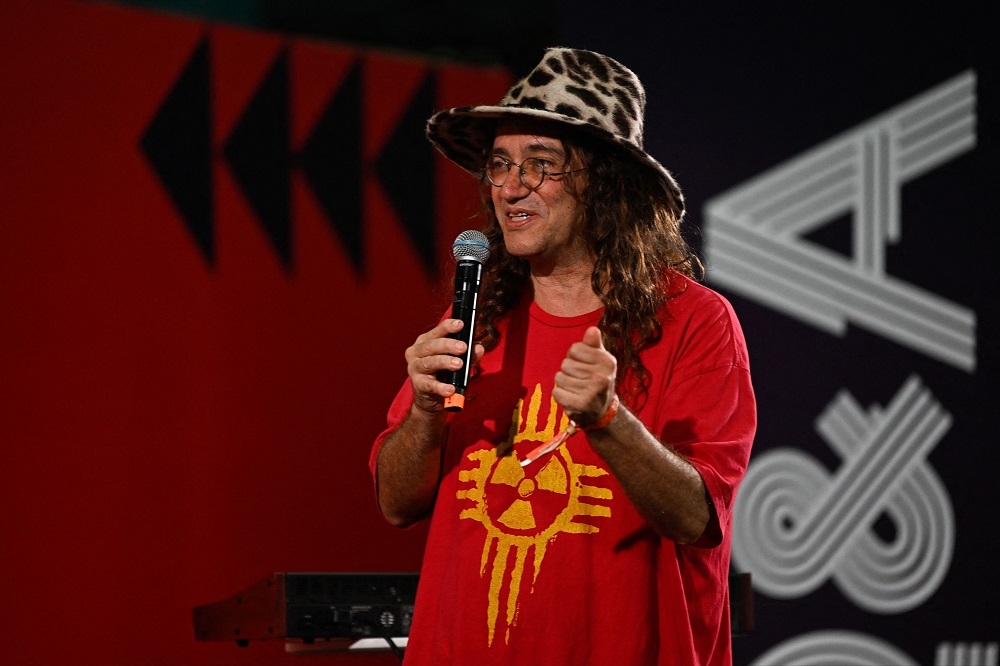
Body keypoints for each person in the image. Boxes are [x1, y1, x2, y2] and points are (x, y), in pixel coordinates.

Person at [369, 47, 755, 666]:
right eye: (499, 166)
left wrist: (609, 420)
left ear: (605, 185)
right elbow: (395, 503)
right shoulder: (477, 316)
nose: (510, 188)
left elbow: (697, 518)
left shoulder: (694, 320)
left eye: (540, 165)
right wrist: (423, 411)